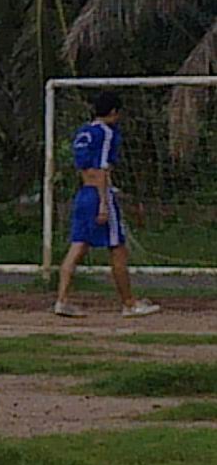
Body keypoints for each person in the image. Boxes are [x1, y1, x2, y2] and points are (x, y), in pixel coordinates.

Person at [54, 92, 160, 319]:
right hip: (98, 195)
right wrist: (104, 202)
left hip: (83, 193)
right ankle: (129, 303)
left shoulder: (83, 132)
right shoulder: (106, 133)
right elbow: (102, 168)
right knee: (118, 248)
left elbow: (85, 167)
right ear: (113, 111)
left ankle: (62, 300)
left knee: (78, 246)